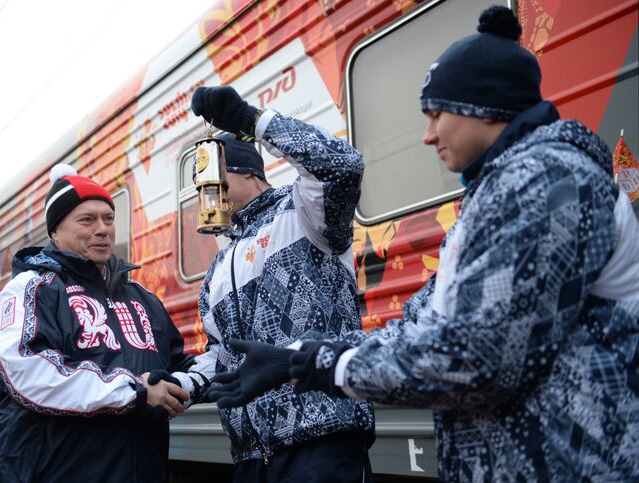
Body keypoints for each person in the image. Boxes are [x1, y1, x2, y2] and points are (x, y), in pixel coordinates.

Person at [207, 6, 639, 482]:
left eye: (436, 114)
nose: (428, 134)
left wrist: (312, 360)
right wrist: (297, 358)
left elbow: (472, 355)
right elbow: (423, 326)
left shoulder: (552, 185)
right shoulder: (495, 201)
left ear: (484, 107)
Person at [172, 84, 376, 481]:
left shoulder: (303, 210)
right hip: (250, 456)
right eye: (199, 186)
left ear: (247, 169)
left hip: (321, 439)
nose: (205, 193)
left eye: (212, 177)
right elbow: (222, 354)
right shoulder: (219, 267)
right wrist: (184, 382)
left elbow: (342, 165)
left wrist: (253, 121)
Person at [0, 164, 195, 483]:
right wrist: (135, 391)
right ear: (55, 230)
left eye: (108, 218)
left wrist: (213, 371)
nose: (103, 229)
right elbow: (29, 372)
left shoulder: (143, 297)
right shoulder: (30, 288)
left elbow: (178, 363)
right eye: (87, 219)